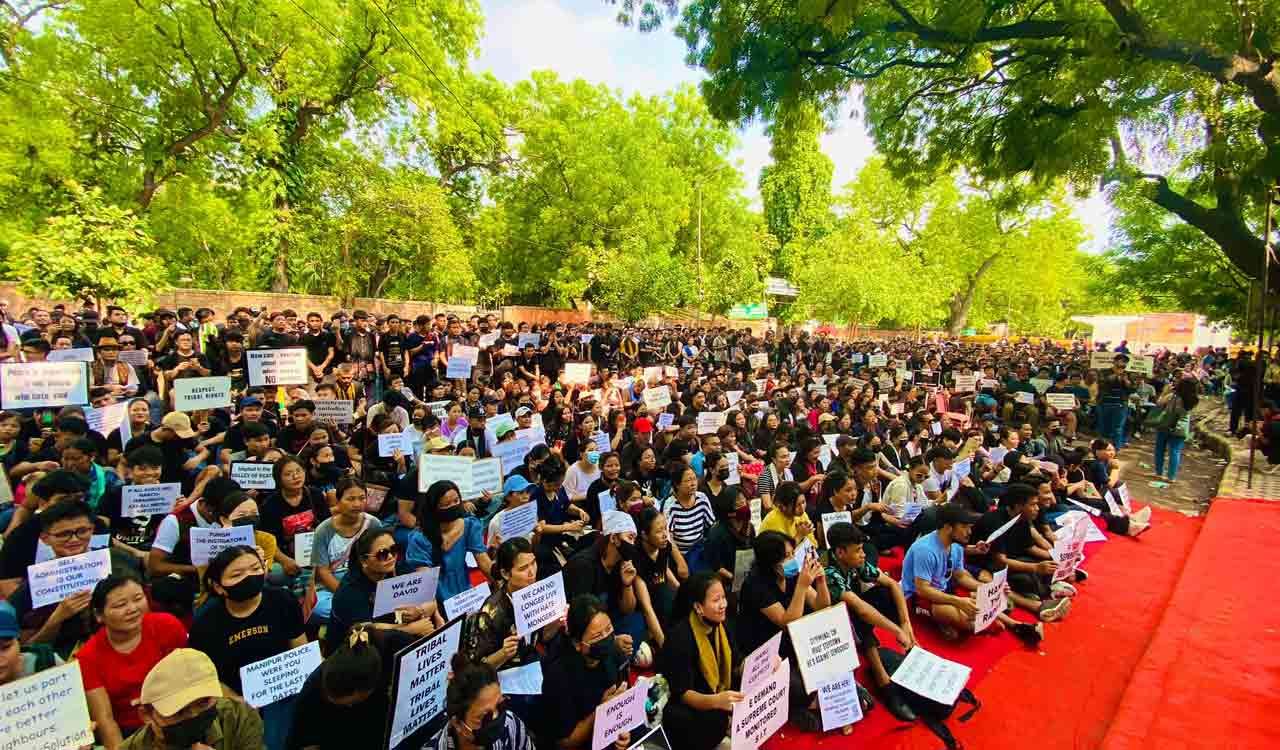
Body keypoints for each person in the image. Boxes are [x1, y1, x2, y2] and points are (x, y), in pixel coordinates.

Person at [187, 545, 306, 750]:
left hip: (284, 689)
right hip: (234, 699)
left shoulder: (283, 600)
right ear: (218, 586)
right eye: (237, 574)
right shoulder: (206, 622)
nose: (249, 577)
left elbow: (299, 648)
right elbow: (207, 676)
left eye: (255, 568)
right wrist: (237, 701)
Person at [900, 503, 1043, 645]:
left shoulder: (955, 546)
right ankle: (945, 621)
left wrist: (989, 588)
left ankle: (1017, 625)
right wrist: (958, 601)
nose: (969, 532)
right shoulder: (925, 550)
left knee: (976, 605)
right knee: (971, 621)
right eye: (964, 527)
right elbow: (922, 590)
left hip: (943, 590)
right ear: (948, 527)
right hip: (917, 598)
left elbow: (960, 576)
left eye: (969, 527)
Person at [736, 530, 831, 731]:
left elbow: (821, 606)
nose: (792, 560)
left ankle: (819, 703)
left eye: (792, 553)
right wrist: (802, 586)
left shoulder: (792, 575)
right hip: (765, 651)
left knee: (827, 663)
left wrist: (821, 581)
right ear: (771, 562)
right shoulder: (756, 585)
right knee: (798, 687)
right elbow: (788, 624)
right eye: (786, 556)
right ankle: (798, 707)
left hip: (793, 644)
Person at [80, 574, 188, 748]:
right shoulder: (88, 657)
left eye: (138, 599)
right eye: (120, 605)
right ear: (99, 615)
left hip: (179, 715)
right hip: (130, 734)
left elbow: (189, 681)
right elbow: (105, 720)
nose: (132, 609)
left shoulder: (168, 626)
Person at [823, 522, 916, 721]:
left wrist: (905, 623)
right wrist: (896, 631)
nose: (863, 554)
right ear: (840, 552)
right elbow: (861, 610)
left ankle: (912, 649)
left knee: (884, 594)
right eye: (858, 550)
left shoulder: (855, 562)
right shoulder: (829, 572)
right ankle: (884, 683)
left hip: (851, 611)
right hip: (827, 627)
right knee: (859, 616)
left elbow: (893, 584)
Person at [465, 538, 553, 729]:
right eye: (523, 568)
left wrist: (556, 621)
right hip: (503, 677)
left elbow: (544, 637)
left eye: (533, 563)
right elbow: (476, 669)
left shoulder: (536, 592)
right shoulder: (491, 612)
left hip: (529, 662)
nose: (532, 572)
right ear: (505, 573)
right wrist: (503, 654)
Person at [656, 571, 742, 750]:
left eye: (723, 598)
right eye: (716, 600)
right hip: (691, 705)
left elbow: (736, 664)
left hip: (719, 694)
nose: (723, 605)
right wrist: (717, 701)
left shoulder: (722, 624)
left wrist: (763, 663)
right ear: (698, 607)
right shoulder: (680, 638)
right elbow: (683, 693)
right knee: (701, 720)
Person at [540, 594, 636, 750]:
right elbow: (565, 743)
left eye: (608, 629)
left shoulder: (615, 651)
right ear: (577, 643)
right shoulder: (558, 677)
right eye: (597, 636)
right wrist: (601, 713)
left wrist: (623, 731)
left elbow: (625, 703)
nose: (606, 638)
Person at [286, 623, 402, 750]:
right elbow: (297, 742)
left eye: (348, 704)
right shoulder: (310, 694)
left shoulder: (392, 647)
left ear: (367, 690)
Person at [121, 648, 264, 750]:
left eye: (204, 702)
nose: (194, 715)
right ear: (146, 714)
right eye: (179, 712)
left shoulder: (238, 717)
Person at [325, 527, 439, 651]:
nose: (391, 556)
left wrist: (419, 611)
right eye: (382, 554)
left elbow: (430, 598)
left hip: (390, 634)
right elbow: (366, 629)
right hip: (355, 650)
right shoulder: (349, 591)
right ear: (364, 561)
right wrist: (410, 629)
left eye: (394, 549)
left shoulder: (398, 567)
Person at [425, 652, 536, 750]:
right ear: (457, 724)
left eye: (500, 705)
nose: (496, 717)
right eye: (485, 716)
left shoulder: (511, 724)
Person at [409, 479, 492, 603]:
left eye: (456, 501)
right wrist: (434, 611)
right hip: (436, 597)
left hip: (465, 593)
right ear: (434, 508)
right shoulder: (419, 538)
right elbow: (425, 582)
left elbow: (483, 560)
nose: (453, 506)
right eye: (446, 504)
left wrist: (500, 584)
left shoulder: (469, 525)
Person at [310, 478, 380, 623]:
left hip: (366, 583)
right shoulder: (323, 530)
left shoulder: (373, 524)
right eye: (350, 499)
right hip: (333, 587)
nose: (357, 504)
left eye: (362, 498)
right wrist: (348, 596)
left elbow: (381, 560)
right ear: (338, 501)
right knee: (318, 607)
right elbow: (323, 572)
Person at [659, 462, 715, 570]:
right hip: (679, 553)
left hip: (699, 550)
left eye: (694, 479)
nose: (693, 483)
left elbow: (712, 525)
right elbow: (668, 537)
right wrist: (680, 562)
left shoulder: (702, 498)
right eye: (688, 480)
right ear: (677, 484)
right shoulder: (670, 505)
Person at [1153, 377, 1198, 483]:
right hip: (1181, 427)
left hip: (1166, 424)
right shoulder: (1194, 400)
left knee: (1160, 449)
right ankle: (1171, 477)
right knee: (1175, 451)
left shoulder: (1172, 396)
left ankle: (1159, 473)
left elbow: (1159, 403)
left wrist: (1164, 392)